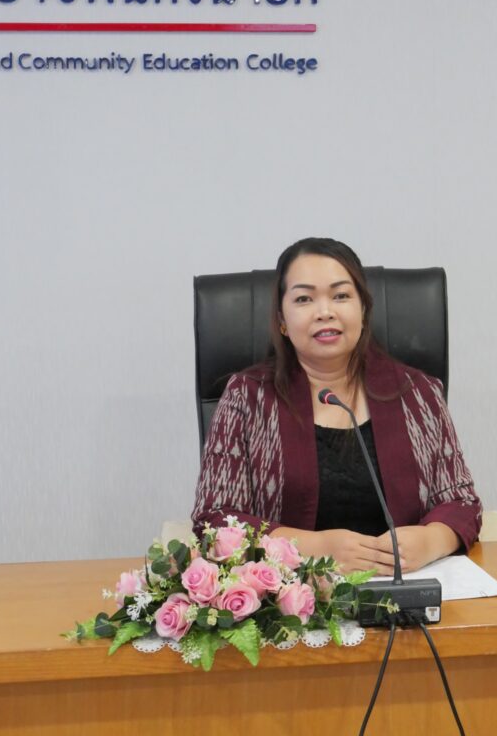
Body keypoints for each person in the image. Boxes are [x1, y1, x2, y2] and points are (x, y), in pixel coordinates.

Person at [191, 238, 481, 575]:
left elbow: (462, 503)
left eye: (341, 295)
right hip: (292, 594)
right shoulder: (247, 396)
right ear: (282, 319)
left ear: (364, 310)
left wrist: (432, 540)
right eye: (304, 299)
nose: (325, 311)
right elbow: (213, 519)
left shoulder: (418, 393)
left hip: (404, 589)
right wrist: (311, 548)